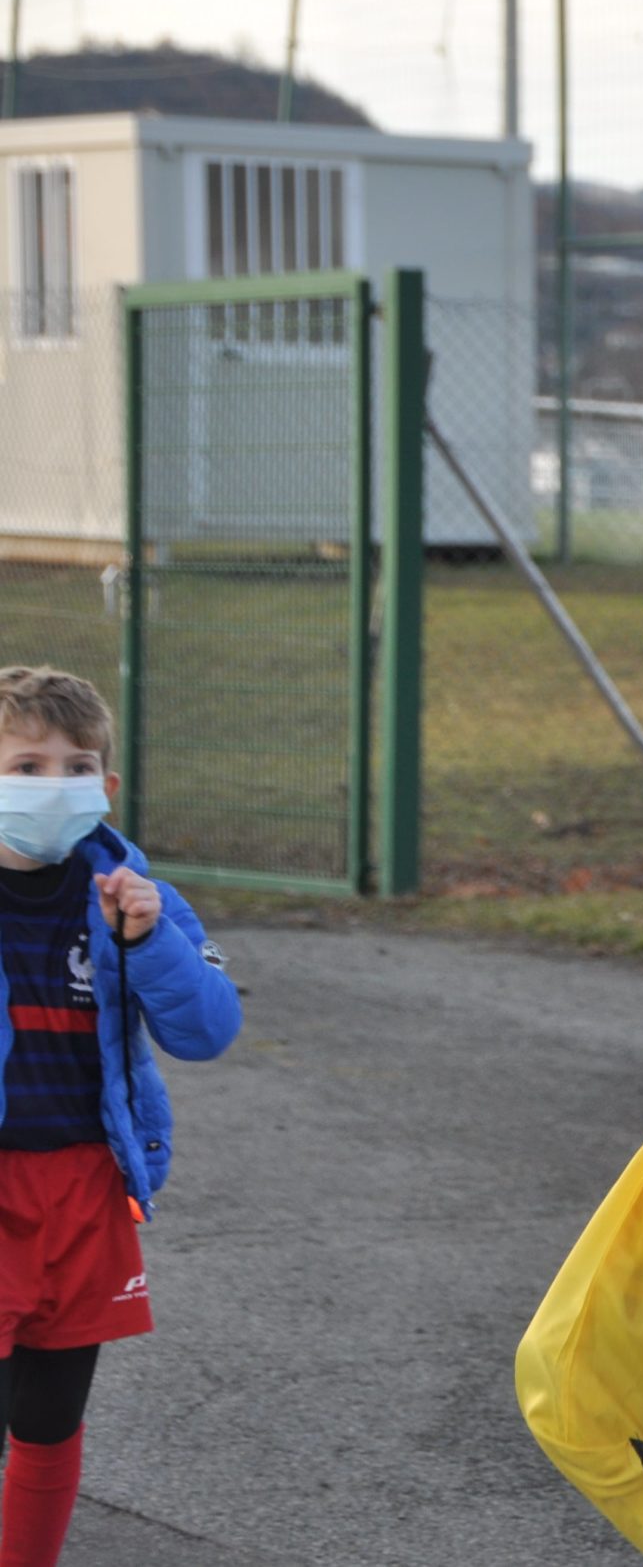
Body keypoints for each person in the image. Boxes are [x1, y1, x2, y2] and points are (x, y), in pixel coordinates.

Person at [0, 666, 240, 1567]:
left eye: (73, 767)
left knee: (52, 1418)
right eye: (25, 765)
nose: (49, 785)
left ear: (104, 787)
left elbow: (209, 1031)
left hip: (87, 1190)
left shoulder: (135, 897)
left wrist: (151, 942)